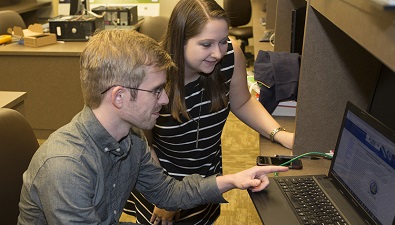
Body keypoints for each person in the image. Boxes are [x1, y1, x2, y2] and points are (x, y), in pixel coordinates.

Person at [17, 29, 288, 225]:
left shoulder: (130, 138)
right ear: (119, 97)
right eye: (156, 90)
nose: (166, 99)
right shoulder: (67, 166)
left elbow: (168, 192)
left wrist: (232, 180)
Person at [125, 0, 295, 224]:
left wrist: (280, 134)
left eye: (222, 41)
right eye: (206, 44)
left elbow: (242, 102)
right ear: (180, 41)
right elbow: (143, 146)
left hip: (206, 175)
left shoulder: (229, 56)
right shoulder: (154, 77)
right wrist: (165, 195)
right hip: (161, 179)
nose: (217, 53)